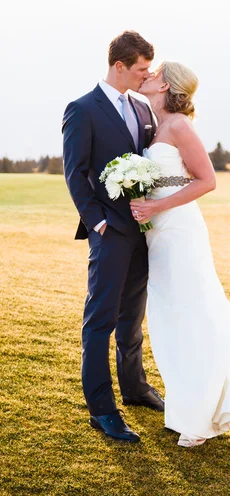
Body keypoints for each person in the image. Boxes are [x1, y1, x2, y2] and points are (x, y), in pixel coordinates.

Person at [131, 62, 230, 447]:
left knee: (191, 313)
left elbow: (207, 180)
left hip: (179, 231)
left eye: (152, 71)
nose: (144, 74)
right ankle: (187, 407)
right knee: (168, 318)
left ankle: (198, 418)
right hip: (158, 234)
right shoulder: (154, 123)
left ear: (164, 83)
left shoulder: (178, 125)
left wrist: (155, 208)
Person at [62, 31, 164, 443]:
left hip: (141, 232)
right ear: (119, 65)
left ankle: (136, 389)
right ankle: (101, 410)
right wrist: (98, 222)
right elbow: (75, 172)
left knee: (131, 319)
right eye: (140, 69)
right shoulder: (82, 109)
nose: (145, 76)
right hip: (109, 232)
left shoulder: (142, 108)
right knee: (100, 320)